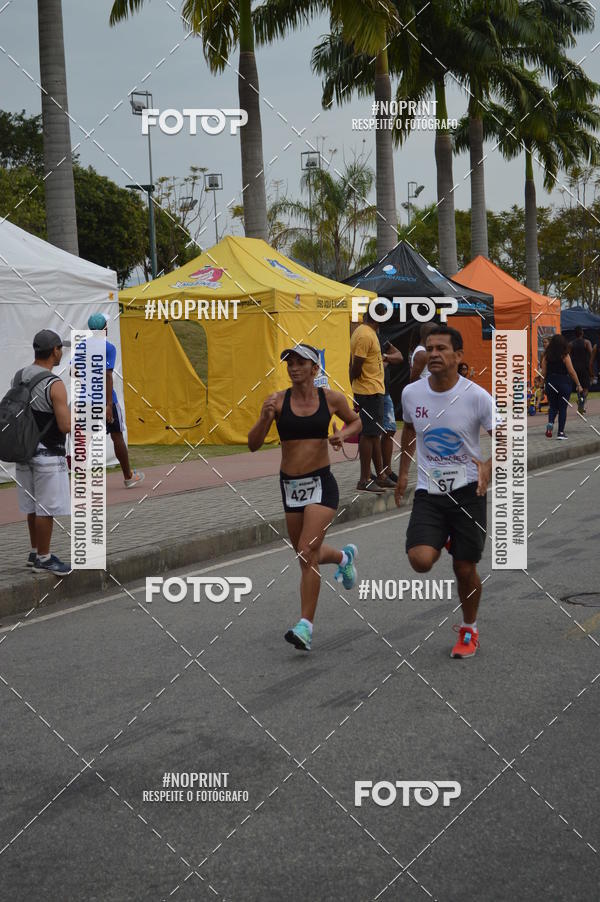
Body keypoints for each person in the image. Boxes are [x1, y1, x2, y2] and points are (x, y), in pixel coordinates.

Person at [248, 343, 362, 651]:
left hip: (322, 484)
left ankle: (305, 626)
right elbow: (253, 444)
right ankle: (343, 557)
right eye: (290, 363)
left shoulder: (331, 398)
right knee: (304, 555)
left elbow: (356, 421)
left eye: (302, 362)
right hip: (290, 485)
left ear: (315, 369)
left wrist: (342, 434)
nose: (295, 367)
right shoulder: (277, 401)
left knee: (305, 549)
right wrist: (263, 418)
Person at [395, 325, 493, 659]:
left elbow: (508, 437)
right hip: (430, 492)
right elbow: (409, 429)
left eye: (441, 348)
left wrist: (488, 466)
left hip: (468, 492)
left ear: (458, 356)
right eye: (429, 348)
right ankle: (446, 536)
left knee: (464, 569)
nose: (433, 354)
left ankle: (469, 629)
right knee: (420, 560)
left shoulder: (477, 397)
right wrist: (403, 474)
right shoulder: (412, 394)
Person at [13, 330, 72, 574]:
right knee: (46, 508)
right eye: (61, 348)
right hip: (48, 453)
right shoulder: (54, 384)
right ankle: (45, 559)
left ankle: (35, 551)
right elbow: (65, 425)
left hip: (24, 450)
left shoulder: (19, 377)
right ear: (55, 351)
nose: (62, 353)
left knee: (33, 505)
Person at [87, 313, 144, 487]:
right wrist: (109, 405)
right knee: (117, 435)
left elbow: (73, 371)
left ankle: (82, 482)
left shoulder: (82, 346)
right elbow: (107, 376)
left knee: (86, 438)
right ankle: (128, 477)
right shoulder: (108, 347)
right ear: (105, 327)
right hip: (105, 399)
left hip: (87, 398)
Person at [350, 308, 394, 493]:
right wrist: (355, 388)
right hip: (368, 391)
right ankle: (364, 479)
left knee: (374, 434)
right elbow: (355, 366)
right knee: (368, 435)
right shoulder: (364, 335)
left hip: (374, 390)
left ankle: (381, 475)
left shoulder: (369, 332)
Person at [542, 333, 582, 440]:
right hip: (563, 383)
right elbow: (571, 371)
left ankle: (550, 423)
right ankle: (560, 433)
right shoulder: (564, 355)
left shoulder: (546, 356)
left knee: (553, 406)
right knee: (562, 408)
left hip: (550, 383)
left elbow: (543, 372)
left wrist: (542, 386)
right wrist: (578, 384)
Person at [380, 339, 404, 480]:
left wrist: (385, 357)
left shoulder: (383, 341)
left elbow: (399, 356)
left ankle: (387, 470)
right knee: (373, 433)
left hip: (385, 392)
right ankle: (376, 473)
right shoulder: (363, 337)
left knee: (390, 429)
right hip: (371, 392)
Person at [568, 326, 593, 413]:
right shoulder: (586, 342)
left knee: (579, 386)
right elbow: (591, 353)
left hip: (575, 367)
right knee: (585, 388)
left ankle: (580, 403)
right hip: (584, 367)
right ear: (582, 333)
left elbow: (567, 355)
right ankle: (581, 403)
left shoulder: (571, 344)